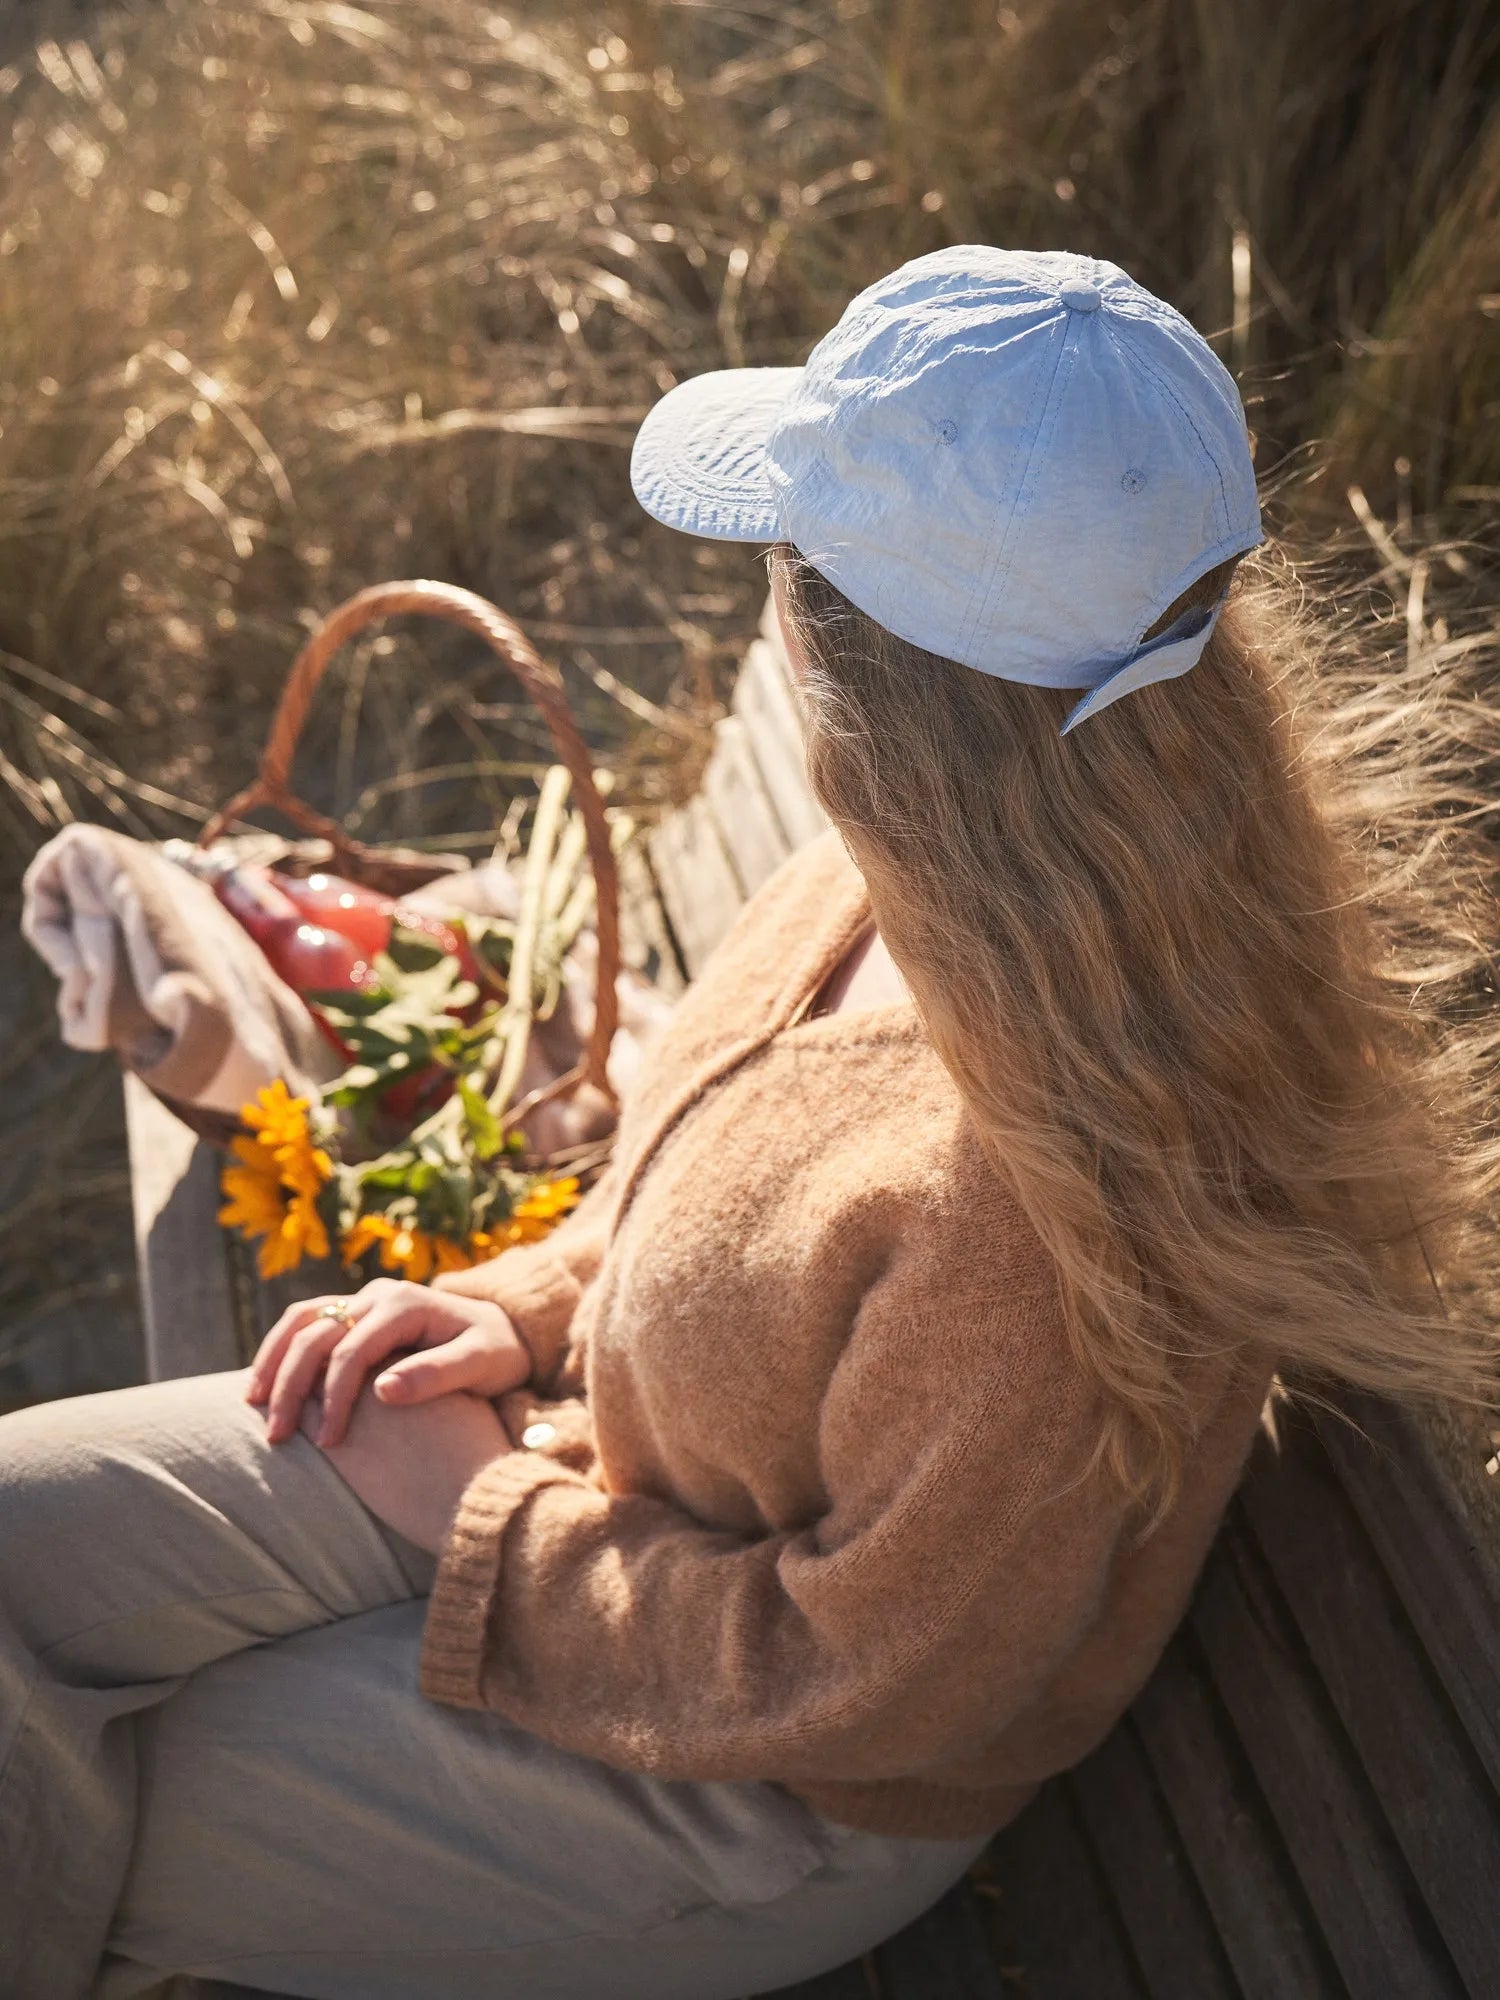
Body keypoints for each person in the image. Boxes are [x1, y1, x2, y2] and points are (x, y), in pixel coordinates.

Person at [3, 245, 1496, 2000]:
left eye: (784, 557)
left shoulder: (1039, 1216)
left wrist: (479, 1521)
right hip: (587, 1468)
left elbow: (873, 1684)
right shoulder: (950, 868)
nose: (762, 603)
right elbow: (709, 1172)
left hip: (743, 1792)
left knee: (61, 1821)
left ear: (866, 673)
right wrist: (531, 1297)